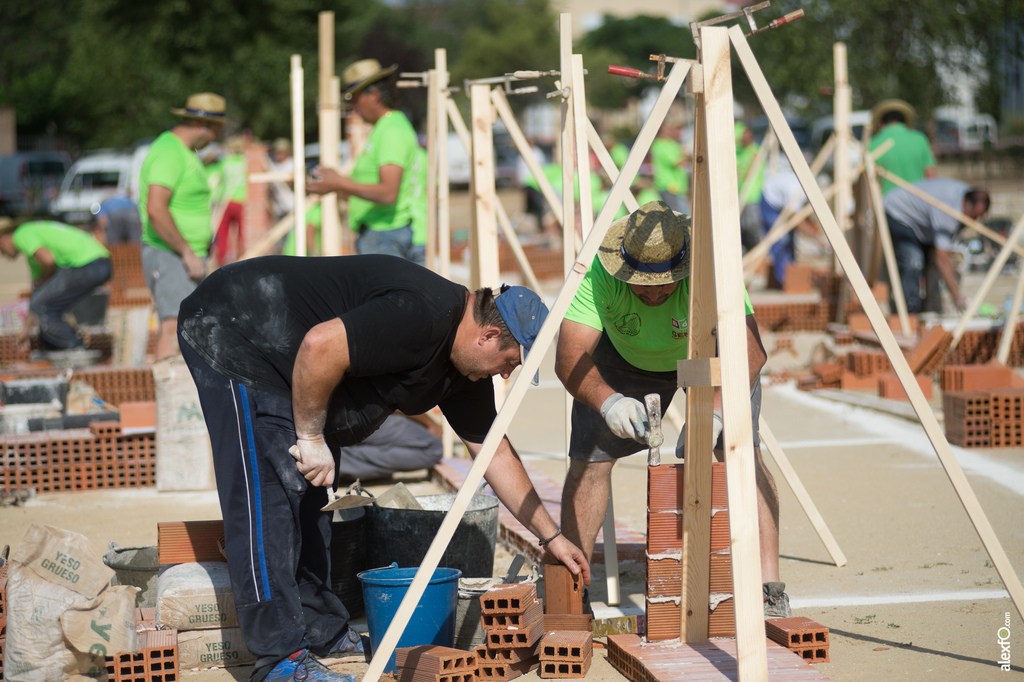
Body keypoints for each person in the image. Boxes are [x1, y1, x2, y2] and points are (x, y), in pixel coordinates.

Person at [177, 255, 589, 681]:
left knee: (310, 496)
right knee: (267, 496)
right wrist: (312, 438)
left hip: (292, 360)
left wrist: (550, 535)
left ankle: (322, 630)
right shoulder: (423, 314)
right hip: (234, 329)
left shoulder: (463, 368)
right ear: (487, 335)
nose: (505, 374)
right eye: (510, 362)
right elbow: (321, 345)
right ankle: (277, 658)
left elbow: (494, 453)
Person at [554, 201, 788, 618]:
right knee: (589, 464)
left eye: (664, 284)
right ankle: (570, 590)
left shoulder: (711, 271)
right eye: (642, 284)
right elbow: (569, 357)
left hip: (709, 356)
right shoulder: (596, 274)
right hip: (621, 360)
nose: (654, 293)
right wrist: (609, 403)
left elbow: (750, 354)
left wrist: (715, 412)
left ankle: (768, 587)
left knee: (740, 456)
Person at [138, 91, 225, 359]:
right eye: (216, 130)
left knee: (188, 328)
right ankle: (170, 399)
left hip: (183, 256)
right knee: (173, 329)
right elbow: (156, 208)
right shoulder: (169, 151)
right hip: (171, 255)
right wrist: (186, 251)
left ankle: (181, 398)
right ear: (202, 124)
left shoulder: (184, 153)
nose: (217, 137)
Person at [307, 60, 418, 261]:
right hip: (380, 235)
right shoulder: (384, 128)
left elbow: (388, 192)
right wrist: (337, 184)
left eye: (354, 98)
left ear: (374, 95)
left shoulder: (392, 131)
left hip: (385, 236)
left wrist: (338, 182)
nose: (352, 106)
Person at [0, 217, 111, 352]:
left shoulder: (21, 234)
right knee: (45, 306)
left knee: (44, 307)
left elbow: (49, 261)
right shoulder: (34, 251)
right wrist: (25, 330)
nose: (4, 256)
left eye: (1, 251)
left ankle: (75, 348)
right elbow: (37, 295)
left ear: (3, 240)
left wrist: (43, 281)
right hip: (99, 263)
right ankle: (54, 350)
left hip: (86, 265)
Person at [883, 178, 989, 314]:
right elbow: (941, 258)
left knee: (928, 264)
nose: (973, 222)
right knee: (913, 261)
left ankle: (923, 309)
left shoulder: (968, 195)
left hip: (922, 224)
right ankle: (908, 316)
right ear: (966, 204)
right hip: (897, 213)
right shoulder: (948, 210)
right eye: (973, 217)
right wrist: (957, 297)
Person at [337, 412, 442, 482]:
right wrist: (430, 423)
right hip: (355, 414)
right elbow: (397, 399)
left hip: (335, 416)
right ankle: (339, 461)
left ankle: (336, 458)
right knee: (434, 448)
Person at [869, 99, 937, 195]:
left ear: (881, 123)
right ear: (904, 121)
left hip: (886, 205)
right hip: (918, 201)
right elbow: (931, 175)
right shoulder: (920, 139)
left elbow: (867, 183)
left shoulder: (871, 144)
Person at [211, 135, 249, 266]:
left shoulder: (225, 162)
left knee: (223, 233)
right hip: (242, 200)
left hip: (226, 201)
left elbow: (218, 181)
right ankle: (242, 259)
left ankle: (221, 261)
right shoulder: (246, 161)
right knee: (242, 234)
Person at [735, 122, 765, 253]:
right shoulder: (738, 152)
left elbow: (749, 172)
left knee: (751, 225)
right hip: (739, 195)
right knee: (741, 226)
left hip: (752, 195)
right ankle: (746, 251)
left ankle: (756, 251)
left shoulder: (755, 152)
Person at [650, 121, 689, 215]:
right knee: (678, 216)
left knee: (683, 216)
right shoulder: (660, 145)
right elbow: (676, 162)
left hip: (677, 186)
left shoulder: (672, 143)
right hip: (669, 185)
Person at [268, 138, 296, 224]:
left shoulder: (292, 164)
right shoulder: (274, 166)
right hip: (279, 208)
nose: (278, 155)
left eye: (281, 152)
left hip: (291, 206)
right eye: (276, 152)